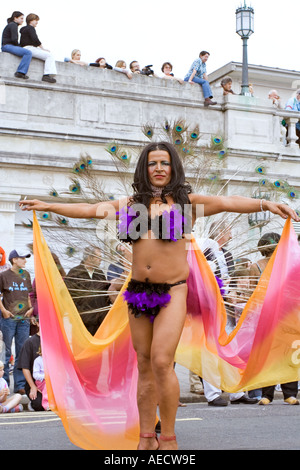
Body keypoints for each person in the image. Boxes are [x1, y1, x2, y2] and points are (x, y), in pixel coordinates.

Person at [19, 141, 299, 450]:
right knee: (145, 363)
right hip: (138, 294)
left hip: (173, 291)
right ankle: (145, 437)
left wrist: (267, 205)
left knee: (163, 362)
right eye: (153, 163)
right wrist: (46, 206)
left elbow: (228, 201)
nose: (159, 168)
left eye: (164, 163)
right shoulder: (131, 205)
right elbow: (87, 210)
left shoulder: (186, 204)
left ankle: (168, 437)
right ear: (145, 168)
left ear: (173, 167)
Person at [249, 232, 299, 405]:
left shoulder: (256, 266)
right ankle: (289, 394)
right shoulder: (289, 265)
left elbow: (251, 293)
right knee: (289, 353)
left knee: (267, 354)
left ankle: (266, 395)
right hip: (287, 316)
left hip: (265, 316)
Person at [0, 249, 33, 394]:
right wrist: (3, 311)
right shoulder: (3, 276)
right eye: (22, 258)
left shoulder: (26, 275)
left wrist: (31, 308)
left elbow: (28, 294)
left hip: (23, 319)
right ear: (14, 260)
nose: (25, 261)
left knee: (21, 351)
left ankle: (20, 385)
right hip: (9, 319)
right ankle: (4, 384)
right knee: (6, 352)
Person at [64, 246, 110, 335]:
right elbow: (68, 298)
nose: (101, 260)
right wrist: (81, 316)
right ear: (90, 257)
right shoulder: (75, 273)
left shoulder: (99, 274)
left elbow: (105, 295)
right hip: (82, 323)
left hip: (100, 323)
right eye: (98, 257)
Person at [20, 13, 57, 84]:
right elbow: (35, 39)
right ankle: (46, 75)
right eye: (35, 20)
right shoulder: (31, 28)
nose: (37, 22)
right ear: (30, 21)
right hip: (30, 48)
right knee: (49, 55)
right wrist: (42, 48)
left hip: (25, 48)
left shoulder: (23, 29)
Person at [17, 317, 44, 411]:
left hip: (52, 383)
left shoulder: (55, 340)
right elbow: (25, 367)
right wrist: (33, 386)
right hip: (36, 382)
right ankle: (32, 402)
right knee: (39, 405)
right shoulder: (30, 342)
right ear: (37, 323)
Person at [1, 11, 32, 79]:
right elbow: (14, 39)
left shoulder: (12, 25)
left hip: (7, 46)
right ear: (15, 18)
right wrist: (19, 47)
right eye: (21, 18)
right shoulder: (13, 25)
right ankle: (20, 72)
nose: (22, 20)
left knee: (25, 51)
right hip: (7, 46)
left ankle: (21, 72)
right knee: (28, 53)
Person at [33, 345, 49, 410]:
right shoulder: (38, 360)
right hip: (41, 381)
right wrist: (45, 377)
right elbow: (35, 375)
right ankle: (46, 403)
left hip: (52, 380)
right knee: (47, 385)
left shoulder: (52, 359)